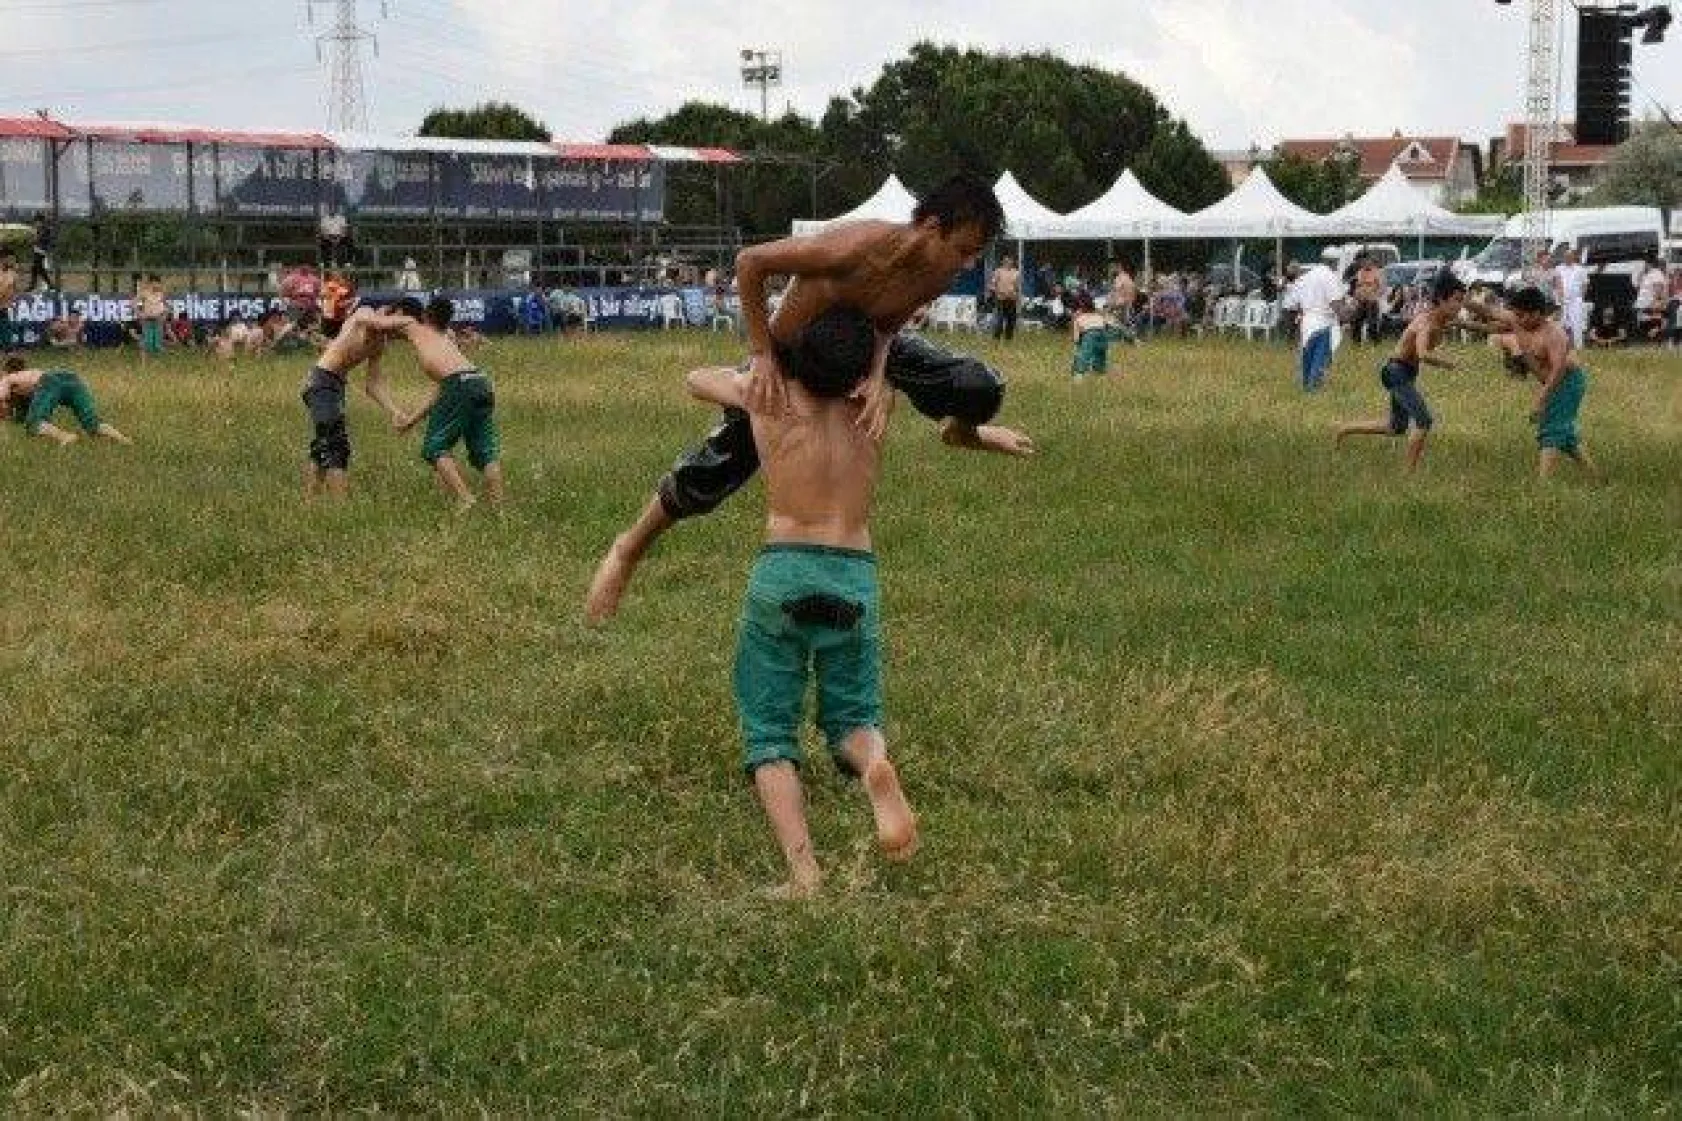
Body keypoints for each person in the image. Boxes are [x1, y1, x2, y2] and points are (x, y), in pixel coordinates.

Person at [584, 173, 1035, 625]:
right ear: (933, 228)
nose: (968, 263)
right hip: (794, 352)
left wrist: (879, 375)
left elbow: (888, 326)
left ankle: (960, 430)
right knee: (716, 470)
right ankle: (628, 549)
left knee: (978, 386)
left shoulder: (937, 270)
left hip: (863, 348)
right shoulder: (855, 247)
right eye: (964, 249)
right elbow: (750, 262)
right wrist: (761, 355)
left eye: (975, 254)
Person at [684, 305, 916, 898]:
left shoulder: (768, 398)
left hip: (784, 570)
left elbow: (694, 380)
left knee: (769, 736)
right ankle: (871, 766)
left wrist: (759, 366)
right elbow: (889, 335)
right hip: (854, 572)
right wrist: (878, 367)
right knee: (852, 718)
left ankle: (804, 873)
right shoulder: (874, 404)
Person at [1334, 274, 1475, 471]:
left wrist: (1501, 328)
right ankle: (1409, 473)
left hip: (1405, 373)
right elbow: (1423, 354)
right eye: (1457, 300)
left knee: (1396, 427)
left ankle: (1344, 428)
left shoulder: (1443, 319)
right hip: (1395, 372)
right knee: (1424, 420)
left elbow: (1470, 325)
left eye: (1462, 300)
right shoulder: (1426, 321)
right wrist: (1449, 364)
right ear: (1442, 299)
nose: (1460, 306)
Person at [387, 296, 505, 512]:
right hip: (481, 382)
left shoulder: (415, 327)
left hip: (460, 385)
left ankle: (465, 499)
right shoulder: (446, 338)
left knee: (434, 447)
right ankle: (498, 509)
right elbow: (440, 390)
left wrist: (371, 315)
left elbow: (381, 324)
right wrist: (412, 420)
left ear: (424, 316)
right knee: (486, 452)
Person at [1482, 286, 1601, 481]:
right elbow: (1490, 312)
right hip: (1556, 382)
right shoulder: (1520, 318)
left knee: (1551, 430)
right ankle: (1596, 477)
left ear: (1536, 313)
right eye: (1516, 315)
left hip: (1567, 383)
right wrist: (1462, 308)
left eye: (1522, 316)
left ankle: (1543, 486)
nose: (1518, 320)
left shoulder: (1555, 334)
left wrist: (1540, 399)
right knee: (1566, 436)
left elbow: (1558, 370)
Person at [298, 303, 407, 500]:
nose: (393, 332)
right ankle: (341, 506)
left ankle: (309, 502)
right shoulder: (365, 312)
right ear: (386, 314)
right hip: (320, 380)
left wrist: (394, 411)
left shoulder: (379, 343)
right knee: (337, 445)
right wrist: (410, 321)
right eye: (395, 325)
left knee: (323, 445)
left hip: (336, 386)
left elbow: (372, 385)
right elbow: (374, 321)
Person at [0, 355, 132, 446]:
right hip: (73, 379)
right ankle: (123, 439)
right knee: (92, 423)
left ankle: (65, 437)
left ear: (6, 371)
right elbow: (22, 414)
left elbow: (1, 398)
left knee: (34, 423)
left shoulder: (8, 378)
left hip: (50, 382)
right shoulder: (28, 376)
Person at [1283, 261, 1346, 391]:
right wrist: (1349, 312)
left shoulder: (1304, 280)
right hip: (1323, 323)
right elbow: (1336, 305)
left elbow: (1290, 306)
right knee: (1320, 360)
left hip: (1307, 324)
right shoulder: (1327, 275)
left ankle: (1307, 388)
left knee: (1307, 359)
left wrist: (1291, 332)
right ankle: (1314, 390)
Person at [1550, 248, 1589, 350]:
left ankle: (1578, 346)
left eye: (1570, 256)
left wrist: (1580, 297)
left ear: (1574, 257)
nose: (1567, 258)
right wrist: (1560, 297)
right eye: (1566, 256)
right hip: (1562, 299)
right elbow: (1556, 283)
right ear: (1563, 257)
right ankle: (1560, 345)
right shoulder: (1558, 268)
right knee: (1560, 324)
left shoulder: (1580, 269)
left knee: (1576, 323)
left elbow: (1584, 284)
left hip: (1576, 300)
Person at [1069, 291, 1110, 379]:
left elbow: (1076, 338)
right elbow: (1106, 324)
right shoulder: (1098, 313)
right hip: (1103, 333)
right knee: (1100, 356)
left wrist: (1077, 342)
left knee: (1084, 355)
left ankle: (1079, 375)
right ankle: (1101, 374)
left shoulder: (1077, 317)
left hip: (1090, 334)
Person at [1633, 253, 1669, 343]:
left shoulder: (1657, 274)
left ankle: (1655, 344)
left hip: (1650, 307)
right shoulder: (1647, 274)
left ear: (1649, 263)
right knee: (1644, 328)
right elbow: (1637, 286)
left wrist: (1654, 304)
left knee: (1652, 329)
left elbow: (1659, 291)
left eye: (1644, 263)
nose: (1643, 265)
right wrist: (1641, 274)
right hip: (1642, 306)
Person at [1351, 255, 1385, 344]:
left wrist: (1374, 295)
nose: (1363, 264)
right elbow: (1357, 286)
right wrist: (1355, 298)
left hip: (1372, 302)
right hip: (1361, 301)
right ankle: (1356, 342)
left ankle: (1376, 342)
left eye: (1365, 261)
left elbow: (1382, 288)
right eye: (1362, 262)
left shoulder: (1377, 272)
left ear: (1370, 261)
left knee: (1372, 324)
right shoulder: (1360, 272)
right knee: (1356, 322)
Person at [136, 274, 169, 361]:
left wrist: (164, 315)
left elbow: (166, 306)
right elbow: (134, 304)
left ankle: (156, 361)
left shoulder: (161, 294)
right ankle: (143, 362)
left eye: (159, 284)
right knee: (147, 341)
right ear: (152, 283)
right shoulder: (144, 293)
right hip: (147, 320)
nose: (158, 285)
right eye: (157, 283)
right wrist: (139, 313)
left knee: (157, 343)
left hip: (158, 320)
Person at [988, 254, 1021, 341]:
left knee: (1011, 320)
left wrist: (1016, 296)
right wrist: (998, 291)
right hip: (1001, 299)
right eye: (1006, 261)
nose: (1008, 262)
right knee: (999, 320)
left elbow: (1017, 287)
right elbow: (991, 286)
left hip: (1012, 299)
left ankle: (1008, 339)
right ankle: (996, 338)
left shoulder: (1016, 272)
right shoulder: (998, 271)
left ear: (1012, 262)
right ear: (1002, 262)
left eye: (1010, 261)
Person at [320, 270, 357, 339]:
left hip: (334, 316)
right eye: (337, 276)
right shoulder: (336, 287)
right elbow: (343, 301)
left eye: (340, 277)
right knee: (333, 335)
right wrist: (351, 301)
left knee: (331, 335)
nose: (340, 279)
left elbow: (323, 295)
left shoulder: (329, 286)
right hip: (333, 316)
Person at [30, 213, 56, 292]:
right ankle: (48, 285)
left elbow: (43, 240)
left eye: (37, 222)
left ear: (41, 222)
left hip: (42, 251)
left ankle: (47, 284)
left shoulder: (45, 230)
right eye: (35, 222)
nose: (35, 223)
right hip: (37, 250)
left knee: (37, 267)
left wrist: (35, 238)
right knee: (36, 268)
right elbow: (34, 241)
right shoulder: (39, 229)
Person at [0, 254, 18, 351]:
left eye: (12, 260)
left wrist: (12, 300)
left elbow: (14, 288)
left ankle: (7, 347)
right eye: (9, 260)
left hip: (4, 305)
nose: (11, 262)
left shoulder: (13, 274)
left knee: (5, 326)